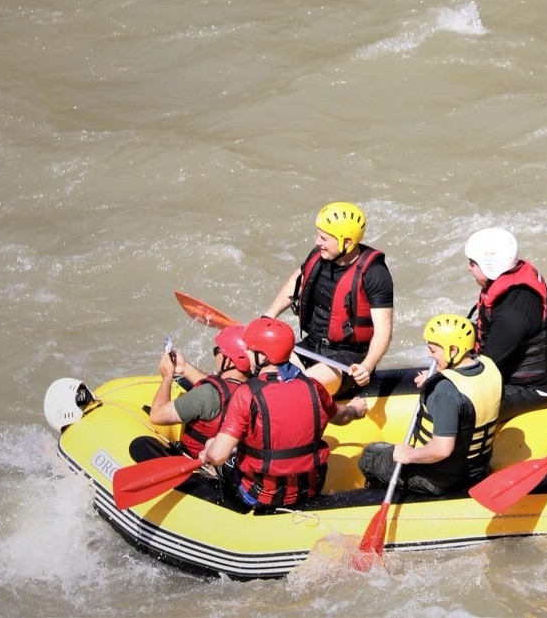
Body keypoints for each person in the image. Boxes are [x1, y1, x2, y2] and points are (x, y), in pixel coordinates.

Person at [201, 316, 369, 511]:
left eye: (249, 349)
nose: (245, 352)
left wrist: (209, 453)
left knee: (213, 449)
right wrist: (355, 410)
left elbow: (219, 455)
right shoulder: (314, 387)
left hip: (259, 494)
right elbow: (342, 416)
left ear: (263, 358)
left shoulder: (246, 394)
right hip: (310, 489)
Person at [358, 314, 502, 495]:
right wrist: (439, 375)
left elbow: (441, 449)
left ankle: (375, 499)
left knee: (369, 456)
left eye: (433, 350)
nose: (429, 354)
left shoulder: (444, 391)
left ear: (454, 350)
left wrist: (408, 455)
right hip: (478, 470)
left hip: (439, 479)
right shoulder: (489, 367)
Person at [263, 201, 394, 399]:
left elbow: (384, 331)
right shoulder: (319, 256)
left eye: (324, 238)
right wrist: (268, 316)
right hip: (310, 346)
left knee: (299, 389)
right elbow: (295, 282)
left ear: (347, 243)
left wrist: (367, 366)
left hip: (348, 359)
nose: (317, 242)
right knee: (259, 363)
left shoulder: (375, 274)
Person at [463, 228, 547, 420]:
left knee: (457, 406)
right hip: (510, 380)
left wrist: (444, 377)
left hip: (532, 389)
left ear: (490, 266)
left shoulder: (513, 310)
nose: (469, 268)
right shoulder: (508, 289)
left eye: (473, 263)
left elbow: (487, 364)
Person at [149, 325, 252, 458]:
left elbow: (157, 415)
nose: (216, 355)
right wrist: (184, 367)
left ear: (228, 362)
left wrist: (167, 377)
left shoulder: (207, 395)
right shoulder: (254, 387)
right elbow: (223, 390)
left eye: (217, 351)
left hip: (195, 461)